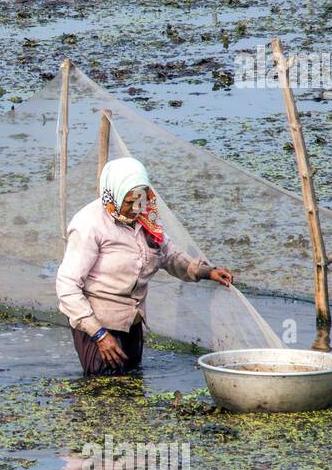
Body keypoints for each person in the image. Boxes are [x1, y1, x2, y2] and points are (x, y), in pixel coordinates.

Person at [56, 156, 234, 376]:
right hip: (98, 322)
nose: (136, 207)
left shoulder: (146, 218)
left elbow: (169, 255)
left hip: (132, 320)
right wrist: (99, 334)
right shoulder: (89, 225)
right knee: (100, 390)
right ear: (113, 193)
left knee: (132, 384)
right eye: (129, 202)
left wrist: (205, 271)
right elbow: (67, 286)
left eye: (141, 199)